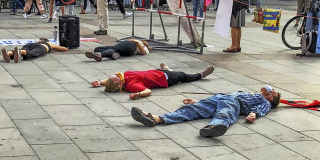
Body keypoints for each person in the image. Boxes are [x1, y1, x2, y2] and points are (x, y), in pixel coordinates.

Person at [130, 86, 281, 138]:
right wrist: (199, 102)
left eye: (273, 91)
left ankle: (214, 127)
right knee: (190, 109)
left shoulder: (264, 102)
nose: (271, 89)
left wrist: (253, 114)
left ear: (271, 97)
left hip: (234, 103)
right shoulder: (255, 93)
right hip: (220, 98)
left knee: (225, 113)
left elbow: (262, 109)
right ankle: (156, 118)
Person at [91, 63, 214, 99]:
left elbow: (110, 81)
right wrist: (138, 94)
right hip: (165, 79)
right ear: (119, 83)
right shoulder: (131, 85)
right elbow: (148, 91)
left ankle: (166, 69)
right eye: (116, 78)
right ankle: (201, 75)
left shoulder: (122, 77)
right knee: (183, 76)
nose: (117, 75)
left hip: (155, 72)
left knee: (167, 70)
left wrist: (100, 82)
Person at [1, 38, 68, 63]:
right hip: (42, 47)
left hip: (30, 45)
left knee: (24, 50)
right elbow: (64, 49)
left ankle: (8, 53)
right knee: (32, 53)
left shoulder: (36, 41)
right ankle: (20, 52)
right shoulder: (48, 43)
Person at [85, 38, 150, 61]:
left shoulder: (143, 46)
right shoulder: (138, 42)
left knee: (114, 48)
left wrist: (138, 42)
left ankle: (100, 55)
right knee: (97, 49)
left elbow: (144, 52)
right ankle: (113, 55)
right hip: (124, 51)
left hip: (131, 47)